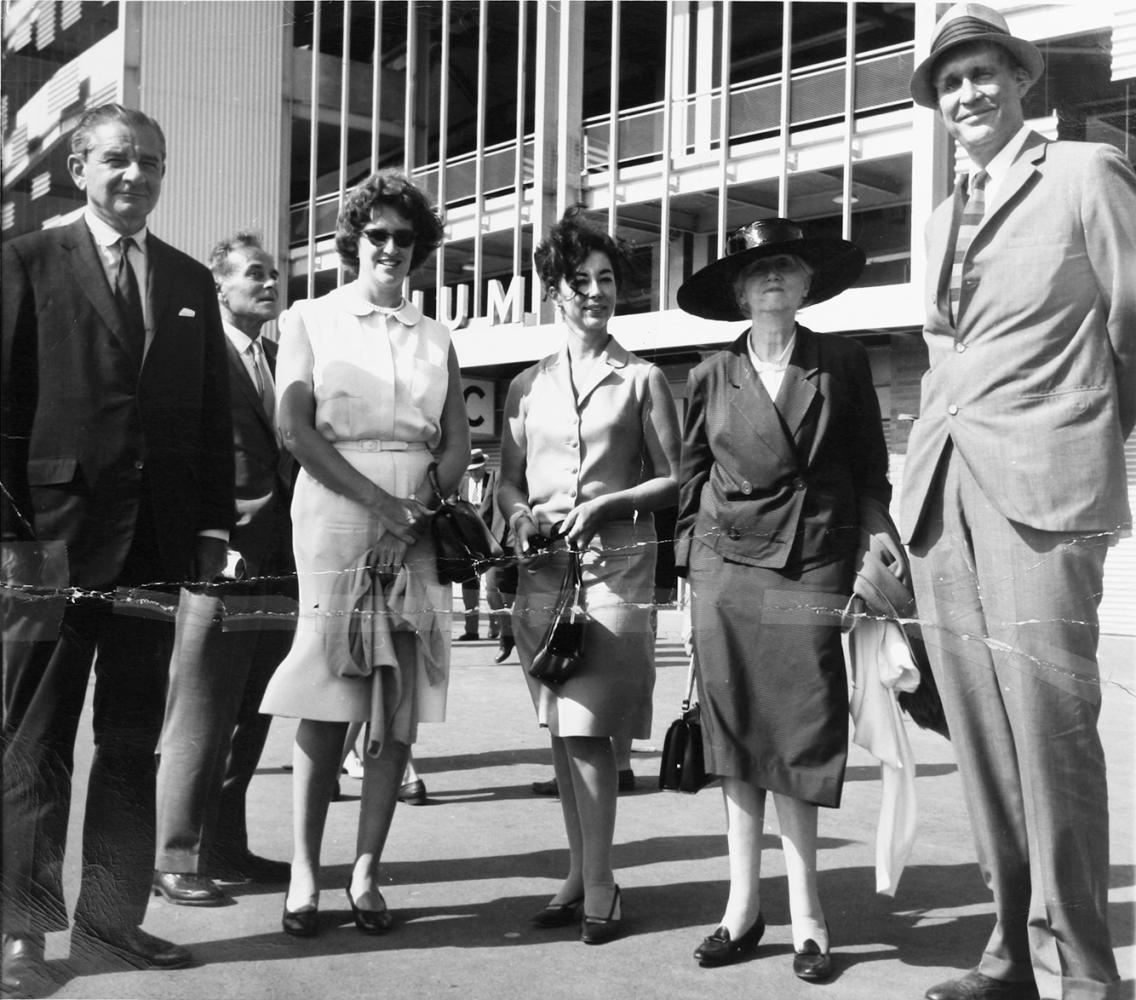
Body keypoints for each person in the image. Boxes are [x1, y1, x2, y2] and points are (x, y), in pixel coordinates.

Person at [902, 6, 1135, 999]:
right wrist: (901, 500)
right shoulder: (936, 212)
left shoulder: (1086, 174)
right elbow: (939, 357)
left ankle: (1083, 973)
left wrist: (1087, 444)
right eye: (950, 83)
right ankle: (1007, 950)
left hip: (1044, 494)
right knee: (982, 737)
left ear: (1021, 81)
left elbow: (1133, 326)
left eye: (984, 74)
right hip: (940, 496)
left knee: (1049, 729)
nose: (967, 95)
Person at [1, 103, 233, 985]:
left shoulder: (186, 281)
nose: (137, 175)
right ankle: (24, 933)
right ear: (78, 170)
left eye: (153, 163)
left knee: (133, 741)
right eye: (119, 160)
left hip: (156, 549)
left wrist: (210, 528)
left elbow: (211, 418)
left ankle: (109, 923)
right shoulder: (24, 263)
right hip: (47, 549)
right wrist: (10, 539)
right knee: (35, 741)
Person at [674, 217, 889, 981]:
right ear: (738, 289)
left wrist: (876, 537)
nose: (772, 278)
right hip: (726, 572)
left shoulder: (843, 361)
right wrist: (687, 576)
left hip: (810, 565)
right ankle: (741, 909)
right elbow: (691, 481)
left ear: (806, 284)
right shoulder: (707, 375)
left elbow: (869, 465)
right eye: (757, 269)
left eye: (787, 266)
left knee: (800, 730)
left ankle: (807, 916)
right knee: (735, 738)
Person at [260, 171, 470, 939]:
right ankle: (306, 874)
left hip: (416, 521)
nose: (389, 248)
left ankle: (366, 873)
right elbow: (296, 431)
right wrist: (380, 505)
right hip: (335, 513)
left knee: (397, 701)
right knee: (327, 690)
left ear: (420, 249)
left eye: (403, 238)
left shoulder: (437, 334)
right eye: (375, 234)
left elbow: (456, 441)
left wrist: (416, 512)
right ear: (354, 240)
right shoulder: (309, 319)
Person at [497, 208, 680, 945]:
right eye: (581, 281)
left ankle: (601, 883)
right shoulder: (525, 386)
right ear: (555, 291)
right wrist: (517, 516)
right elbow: (509, 483)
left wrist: (607, 502)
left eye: (607, 280)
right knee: (558, 730)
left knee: (587, 731)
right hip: (543, 575)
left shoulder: (642, 378)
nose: (597, 293)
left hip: (614, 573)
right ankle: (579, 873)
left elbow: (674, 477)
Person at [152, 233, 295, 907]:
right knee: (202, 711)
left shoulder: (275, 357)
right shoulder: (197, 356)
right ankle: (174, 855)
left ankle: (226, 846)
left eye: (273, 275)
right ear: (220, 288)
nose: (269, 284)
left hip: (279, 561)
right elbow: (180, 452)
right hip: (224, 559)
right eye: (254, 275)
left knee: (251, 710)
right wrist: (207, 535)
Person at [455, 449, 495, 641]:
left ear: (484, 466)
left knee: (493, 588)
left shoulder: (493, 481)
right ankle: (471, 630)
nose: (474, 473)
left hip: (491, 540)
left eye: (477, 469)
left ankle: (495, 626)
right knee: (470, 587)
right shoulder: (461, 485)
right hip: (468, 542)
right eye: (470, 470)